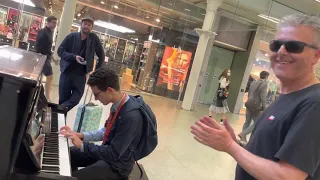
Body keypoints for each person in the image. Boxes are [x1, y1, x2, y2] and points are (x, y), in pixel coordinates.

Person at [191, 14, 320, 180]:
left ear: (316, 56)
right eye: (276, 45)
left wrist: (230, 146)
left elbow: (288, 176)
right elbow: (268, 155)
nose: (281, 51)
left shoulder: (314, 103)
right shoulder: (286, 96)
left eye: (294, 46)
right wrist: (236, 144)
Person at [59, 68, 143, 180]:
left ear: (109, 90)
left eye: (96, 94)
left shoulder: (131, 117)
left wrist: (83, 145)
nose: (96, 99)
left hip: (118, 166)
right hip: (108, 154)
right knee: (70, 153)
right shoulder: (117, 104)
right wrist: (80, 135)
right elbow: (105, 131)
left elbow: (113, 153)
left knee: (74, 177)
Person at [58, 16, 105, 111]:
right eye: (85, 24)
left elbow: (101, 55)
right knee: (63, 99)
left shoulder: (94, 39)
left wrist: (97, 72)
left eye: (89, 25)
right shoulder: (71, 36)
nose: (86, 26)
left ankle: (58, 110)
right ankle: (60, 120)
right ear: (81, 25)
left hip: (81, 75)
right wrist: (74, 57)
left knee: (76, 99)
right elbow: (60, 51)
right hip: (67, 72)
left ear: (92, 27)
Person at [238, 71, 269, 142]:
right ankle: (243, 134)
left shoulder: (253, 83)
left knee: (247, 121)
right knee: (257, 122)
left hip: (249, 104)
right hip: (256, 107)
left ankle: (242, 139)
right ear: (266, 77)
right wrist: (265, 107)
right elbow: (263, 97)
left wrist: (249, 101)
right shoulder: (264, 84)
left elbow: (249, 94)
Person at [35, 16, 57, 101]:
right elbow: (38, 47)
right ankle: (47, 97)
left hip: (46, 57)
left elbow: (48, 47)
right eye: (54, 22)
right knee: (50, 76)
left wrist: (52, 57)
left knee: (47, 77)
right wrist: (40, 57)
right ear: (48, 22)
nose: (55, 24)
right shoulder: (43, 32)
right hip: (42, 57)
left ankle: (45, 95)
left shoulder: (50, 32)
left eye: (56, 23)